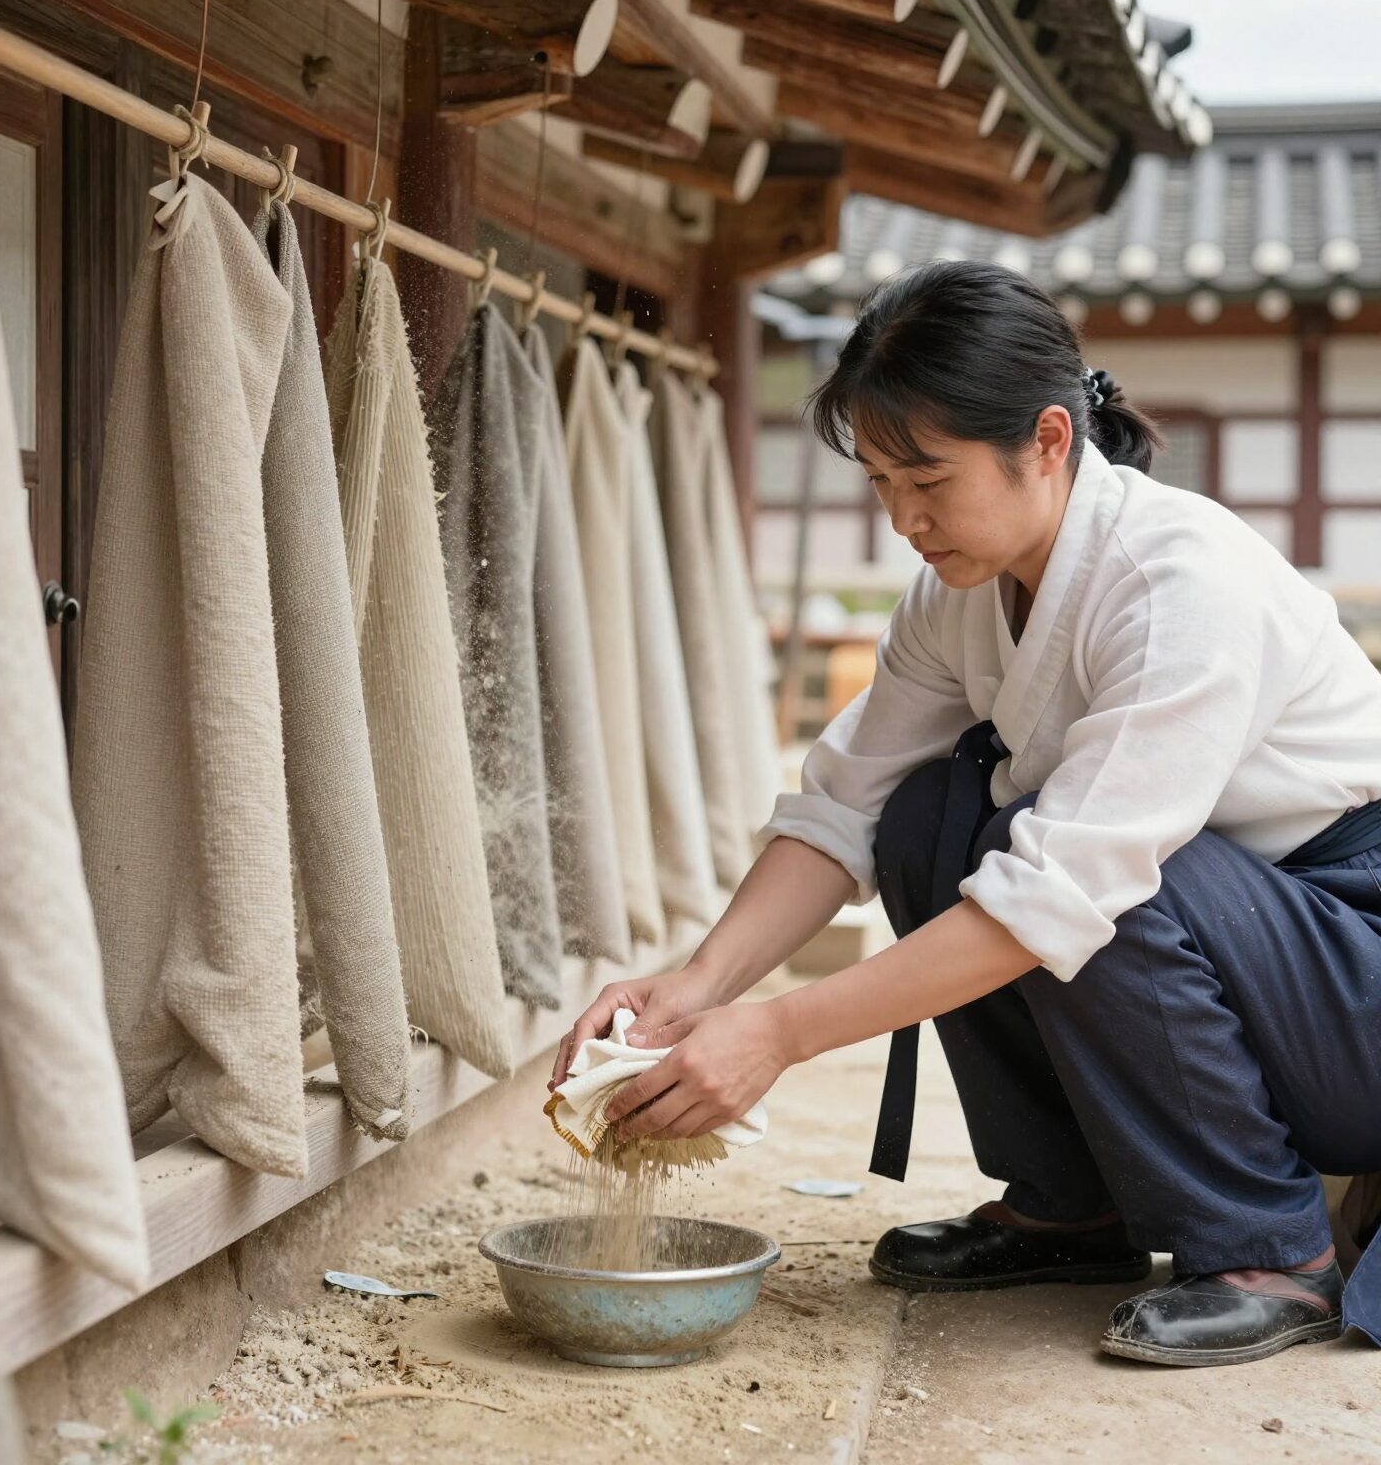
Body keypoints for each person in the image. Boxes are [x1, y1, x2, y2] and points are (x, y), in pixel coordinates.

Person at [549, 261, 1381, 1368]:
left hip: (1350, 966)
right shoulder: (960, 591)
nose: (904, 518)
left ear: (1046, 441)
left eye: (927, 478)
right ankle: (1075, 1205)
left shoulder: (1183, 584)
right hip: (1250, 937)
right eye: (884, 482)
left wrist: (777, 1036)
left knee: (1109, 878)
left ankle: (1267, 1248)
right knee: (929, 817)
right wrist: (696, 991)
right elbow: (844, 803)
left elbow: (1069, 890)